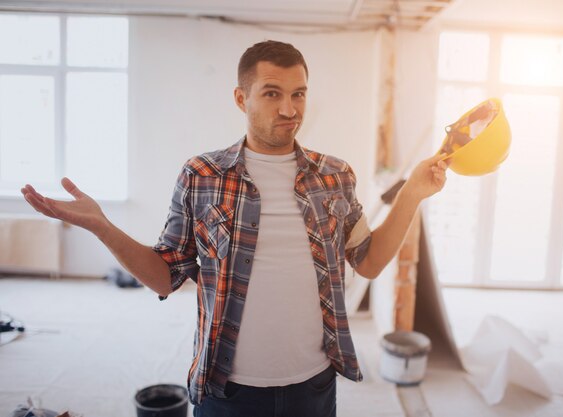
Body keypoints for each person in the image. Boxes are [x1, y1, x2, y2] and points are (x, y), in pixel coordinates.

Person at [21, 40, 448, 417]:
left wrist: (411, 193)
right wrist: (103, 227)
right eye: (272, 93)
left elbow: (369, 263)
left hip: (313, 386)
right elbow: (164, 275)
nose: (289, 109)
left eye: (299, 94)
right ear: (241, 98)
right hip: (227, 391)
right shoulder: (201, 175)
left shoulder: (334, 175)